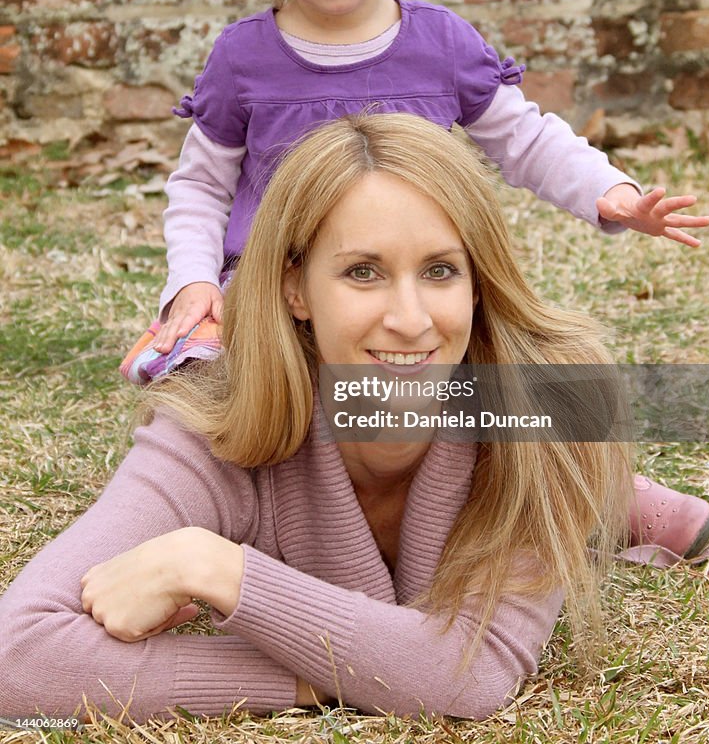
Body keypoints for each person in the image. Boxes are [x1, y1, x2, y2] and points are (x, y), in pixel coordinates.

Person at [116, 0, 709, 564]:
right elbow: (200, 184)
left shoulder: (439, 45)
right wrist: (193, 281)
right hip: (281, 296)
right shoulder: (244, 61)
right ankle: (260, 521)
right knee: (231, 406)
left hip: (415, 291)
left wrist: (612, 195)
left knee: (507, 386)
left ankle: (599, 493)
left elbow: (525, 139)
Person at [0, 113, 641, 723]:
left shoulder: (552, 410)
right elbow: (17, 660)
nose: (412, 319)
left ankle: (626, 498)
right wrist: (351, 674)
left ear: (477, 282)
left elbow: (470, 675)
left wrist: (213, 567)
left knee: (585, 472)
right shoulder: (215, 426)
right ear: (295, 288)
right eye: (364, 272)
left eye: (441, 270)